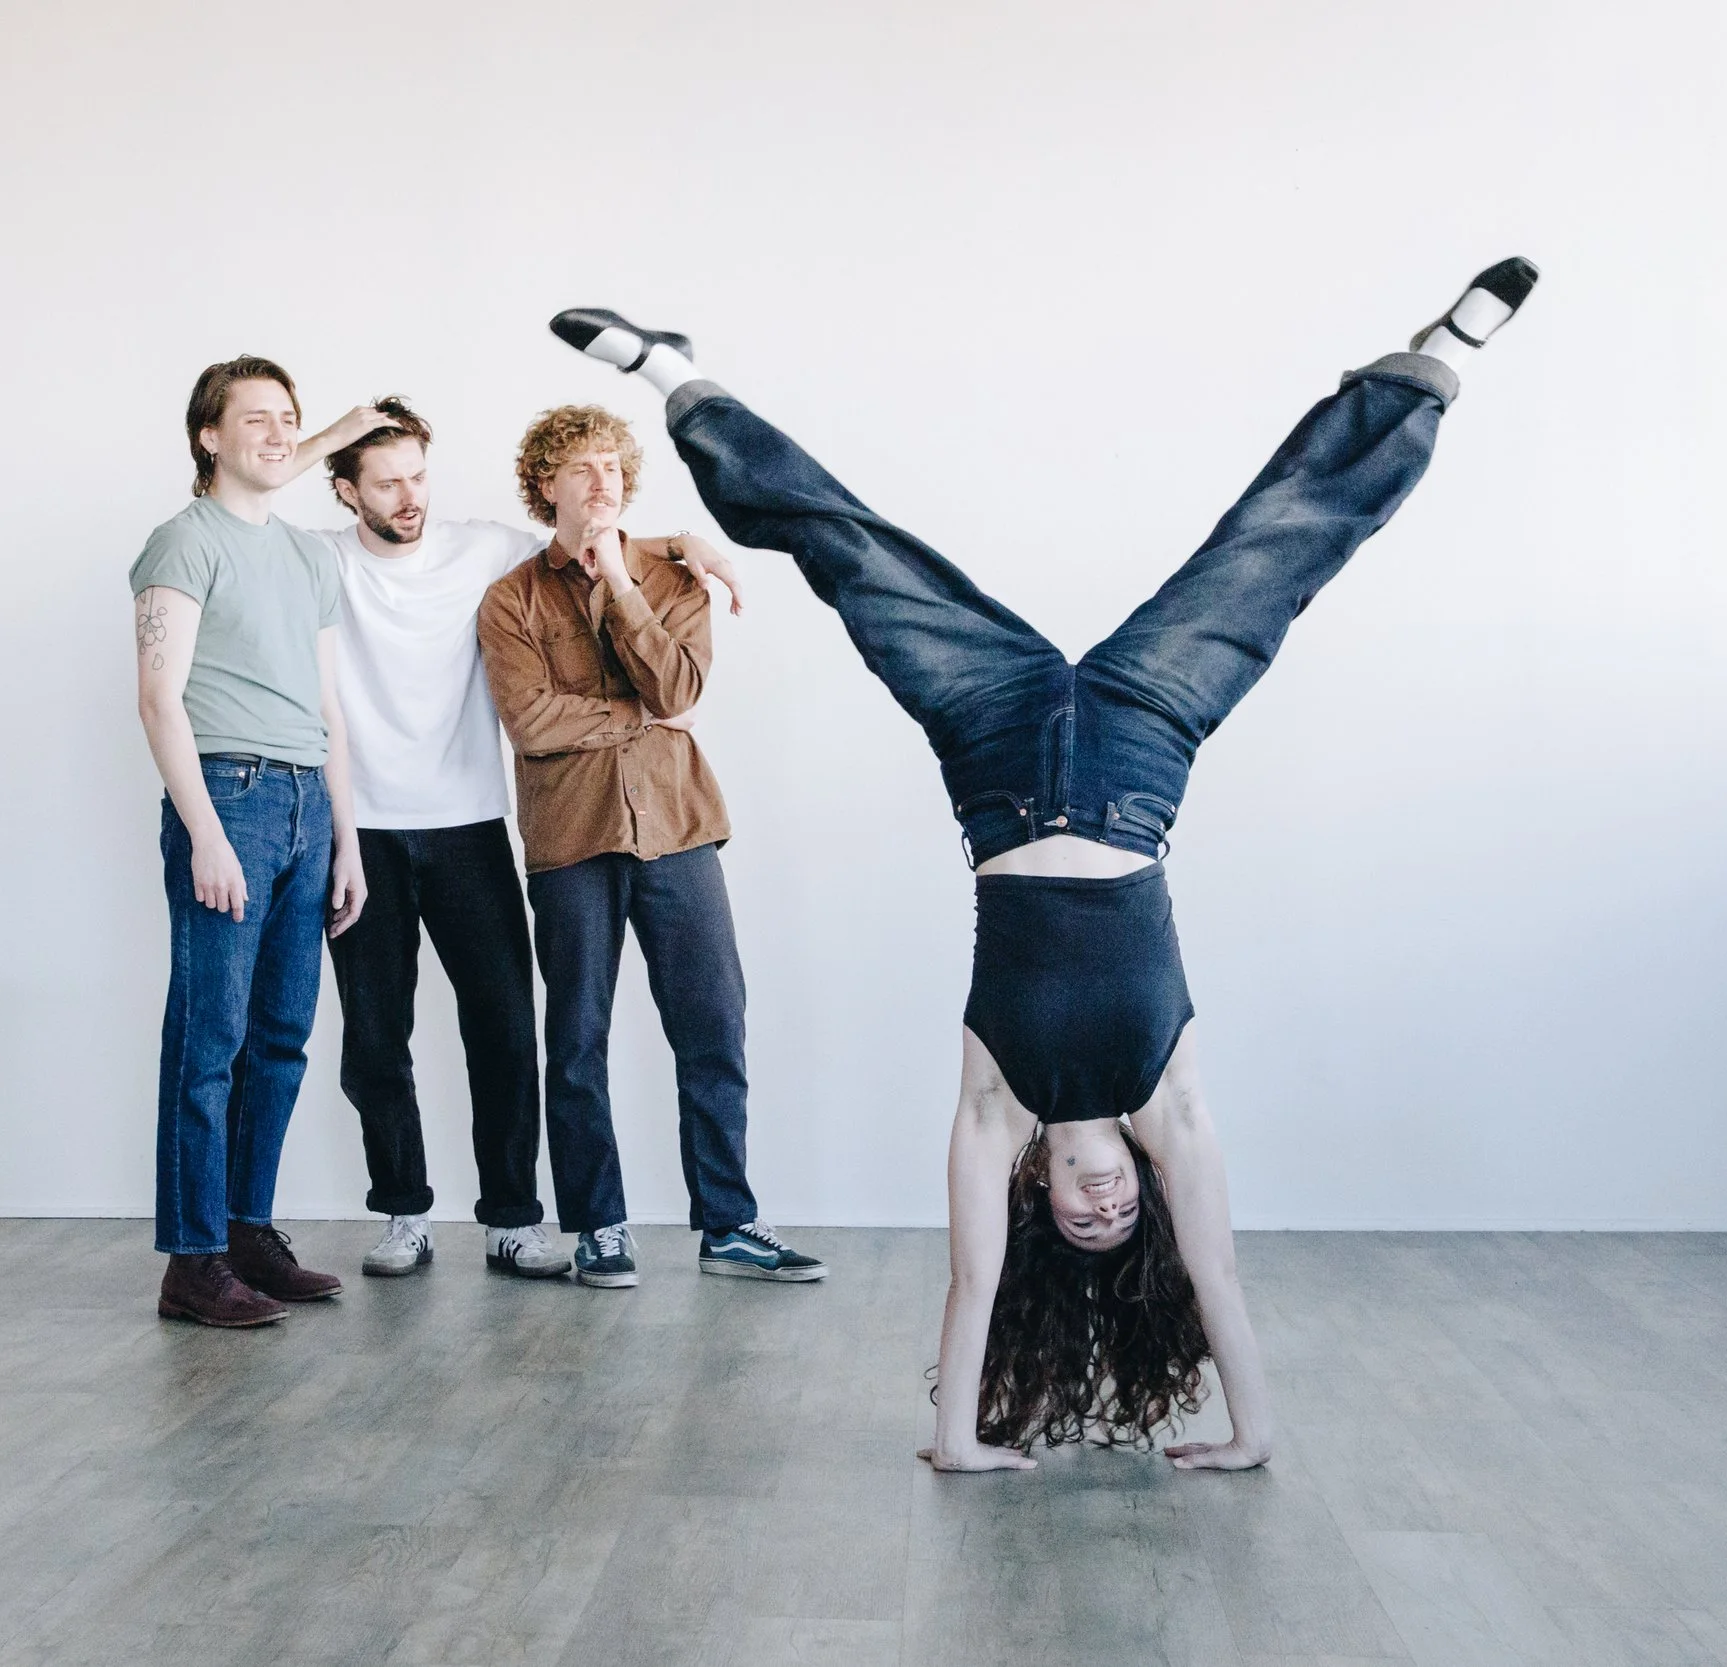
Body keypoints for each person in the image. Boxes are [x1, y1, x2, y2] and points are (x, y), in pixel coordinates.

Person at [545, 257, 1540, 1459]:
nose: (1104, 1201)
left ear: (1043, 1201)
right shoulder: (1167, 1105)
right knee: (1275, 556)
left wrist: (957, 1440)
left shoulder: (993, 1103)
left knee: (852, 555)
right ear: (1143, 1190)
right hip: (1138, 748)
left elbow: (971, 1290)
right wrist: (1251, 1435)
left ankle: (678, 378)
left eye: (1082, 1217)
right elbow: (1217, 1279)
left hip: (995, 743)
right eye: (1121, 1209)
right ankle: (1431, 369)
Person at [273, 401, 743, 1280]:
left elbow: (595, 529)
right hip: (362, 828)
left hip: (470, 826)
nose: (409, 496)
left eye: (418, 475)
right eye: (385, 481)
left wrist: (691, 543)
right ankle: (404, 1210)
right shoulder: (319, 560)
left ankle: (514, 1217)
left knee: (502, 1028)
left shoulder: (483, 552)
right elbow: (252, 511)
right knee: (377, 1038)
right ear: (345, 491)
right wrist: (330, 435)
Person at [476, 404, 827, 1290]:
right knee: (578, 1038)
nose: (602, 482)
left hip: (679, 830)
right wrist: (641, 717)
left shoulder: (674, 581)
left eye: (613, 468)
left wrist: (625, 589)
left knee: (713, 1027)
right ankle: (598, 1225)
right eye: (580, 468)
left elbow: (682, 680)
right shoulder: (510, 599)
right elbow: (532, 723)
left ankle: (730, 1222)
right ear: (543, 484)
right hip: (571, 841)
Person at [128, 355, 387, 1327]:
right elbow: (159, 697)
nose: (278, 432)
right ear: (209, 434)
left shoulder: (307, 555)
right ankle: (192, 1260)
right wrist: (202, 830)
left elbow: (329, 705)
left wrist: (347, 839)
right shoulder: (181, 543)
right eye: (256, 418)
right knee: (210, 1040)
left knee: (280, 1039)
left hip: (305, 809)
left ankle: (245, 1231)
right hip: (226, 798)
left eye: (290, 418)